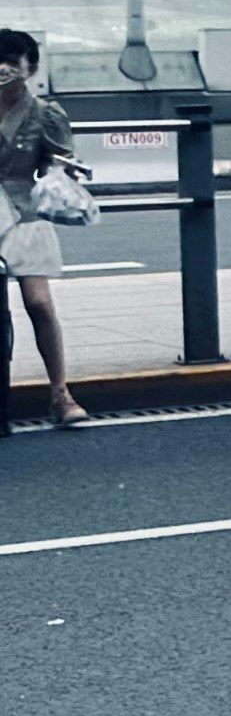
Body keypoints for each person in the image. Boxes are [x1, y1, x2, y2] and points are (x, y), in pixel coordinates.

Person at [0, 27, 88, 429]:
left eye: (10, 64)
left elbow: (60, 161)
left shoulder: (46, 113)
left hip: (24, 212)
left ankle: (59, 392)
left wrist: (60, 170)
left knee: (38, 302)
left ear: (29, 67)